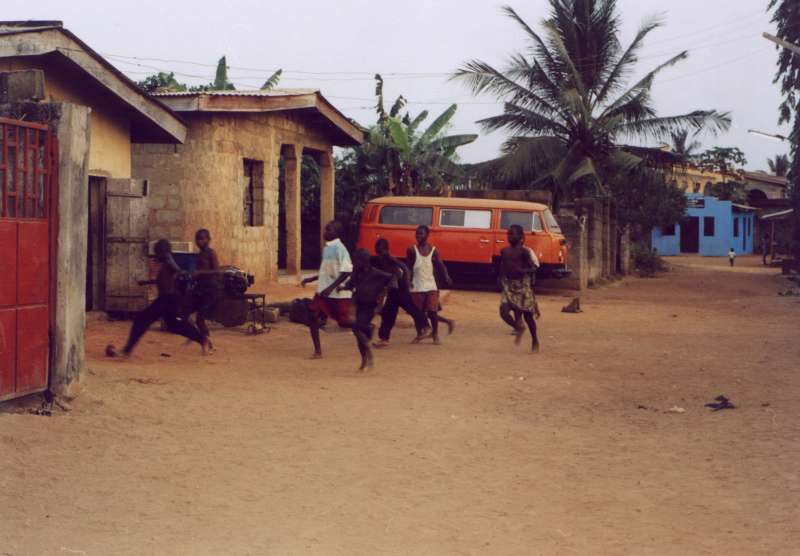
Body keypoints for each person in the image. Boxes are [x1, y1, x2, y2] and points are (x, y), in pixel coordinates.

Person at [106, 239, 209, 358]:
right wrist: (146, 282)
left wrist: (178, 269)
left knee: (141, 320)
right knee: (174, 326)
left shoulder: (168, 258)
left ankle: (127, 350)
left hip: (168, 299)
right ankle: (203, 340)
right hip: (169, 299)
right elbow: (163, 280)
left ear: (163, 251)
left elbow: (177, 270)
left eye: (158, 252)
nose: (156, 254)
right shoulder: (164, 263)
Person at [300, 220, 354, 358]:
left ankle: (365, 326)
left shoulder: (340, 249)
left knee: (343, 322)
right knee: (312, 316)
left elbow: (347, 272)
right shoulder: (328, 248)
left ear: (337, 233)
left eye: (328, 230)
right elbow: (326, 271)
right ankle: (318, 351)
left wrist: (331, 288)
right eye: (325, 229)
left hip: (338, 293)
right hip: (323, 292)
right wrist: (311, 279)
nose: (325, 232)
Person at [339, 249, 395, 370]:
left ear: (363, 261)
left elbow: (392, 278)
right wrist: (342, 288)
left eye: (355, 261)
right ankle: (364, 358)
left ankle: (368, 352)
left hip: (370, 307)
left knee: (356, 328)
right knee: (359, 335)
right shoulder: (357, 273)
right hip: (359, 305)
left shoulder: (376, 273)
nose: (353, 264)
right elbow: (350, 285)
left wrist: (384, 292)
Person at [373, 238, 431, 347]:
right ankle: (384, 338)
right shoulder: (381, 259)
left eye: (380, 251)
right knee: (389, 313)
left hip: (400, 288)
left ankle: (425, 326)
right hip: (393, 289)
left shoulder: (389, 258)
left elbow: (404, 268)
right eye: (377, 251)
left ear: (386, 249)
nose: (379, 253)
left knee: (406, 309)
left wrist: (407, 282)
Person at [407, 225, 455, 345]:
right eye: (417, 234)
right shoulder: (411, 250)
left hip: (430, 285)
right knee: (418, 313)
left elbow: (440, 264)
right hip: (417, 285)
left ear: (427, 235)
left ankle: (435, 334)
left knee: (432, 312)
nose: (418, 236)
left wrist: (446, 276)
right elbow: (409, 267)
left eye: (421, 234)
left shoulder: (433, 250)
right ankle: (420, 334)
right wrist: (408, 280)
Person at [499, 225, 540, 352]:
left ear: (521, 237)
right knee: (503, 312)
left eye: (513, 234)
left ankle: (535, 339)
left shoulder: (524, 252)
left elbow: (534, 267)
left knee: (528, 317)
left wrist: (523, 271)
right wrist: (499, 279)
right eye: (509, 234)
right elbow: (502, 267)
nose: (510, 236)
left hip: (522, 286)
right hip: (508, 286)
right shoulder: (504, 251)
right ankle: (518, 327)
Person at [191, 228, 221, 350]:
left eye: (203, 238)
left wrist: (200, 272)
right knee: (197, 319)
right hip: (201, 289)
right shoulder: (199, 255)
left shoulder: (211, 253)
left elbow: (216, 271)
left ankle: (207, 343)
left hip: (210, 289)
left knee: (200, 318)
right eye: (198, 239)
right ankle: (206, 342)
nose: (200, 241)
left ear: (208, 240)